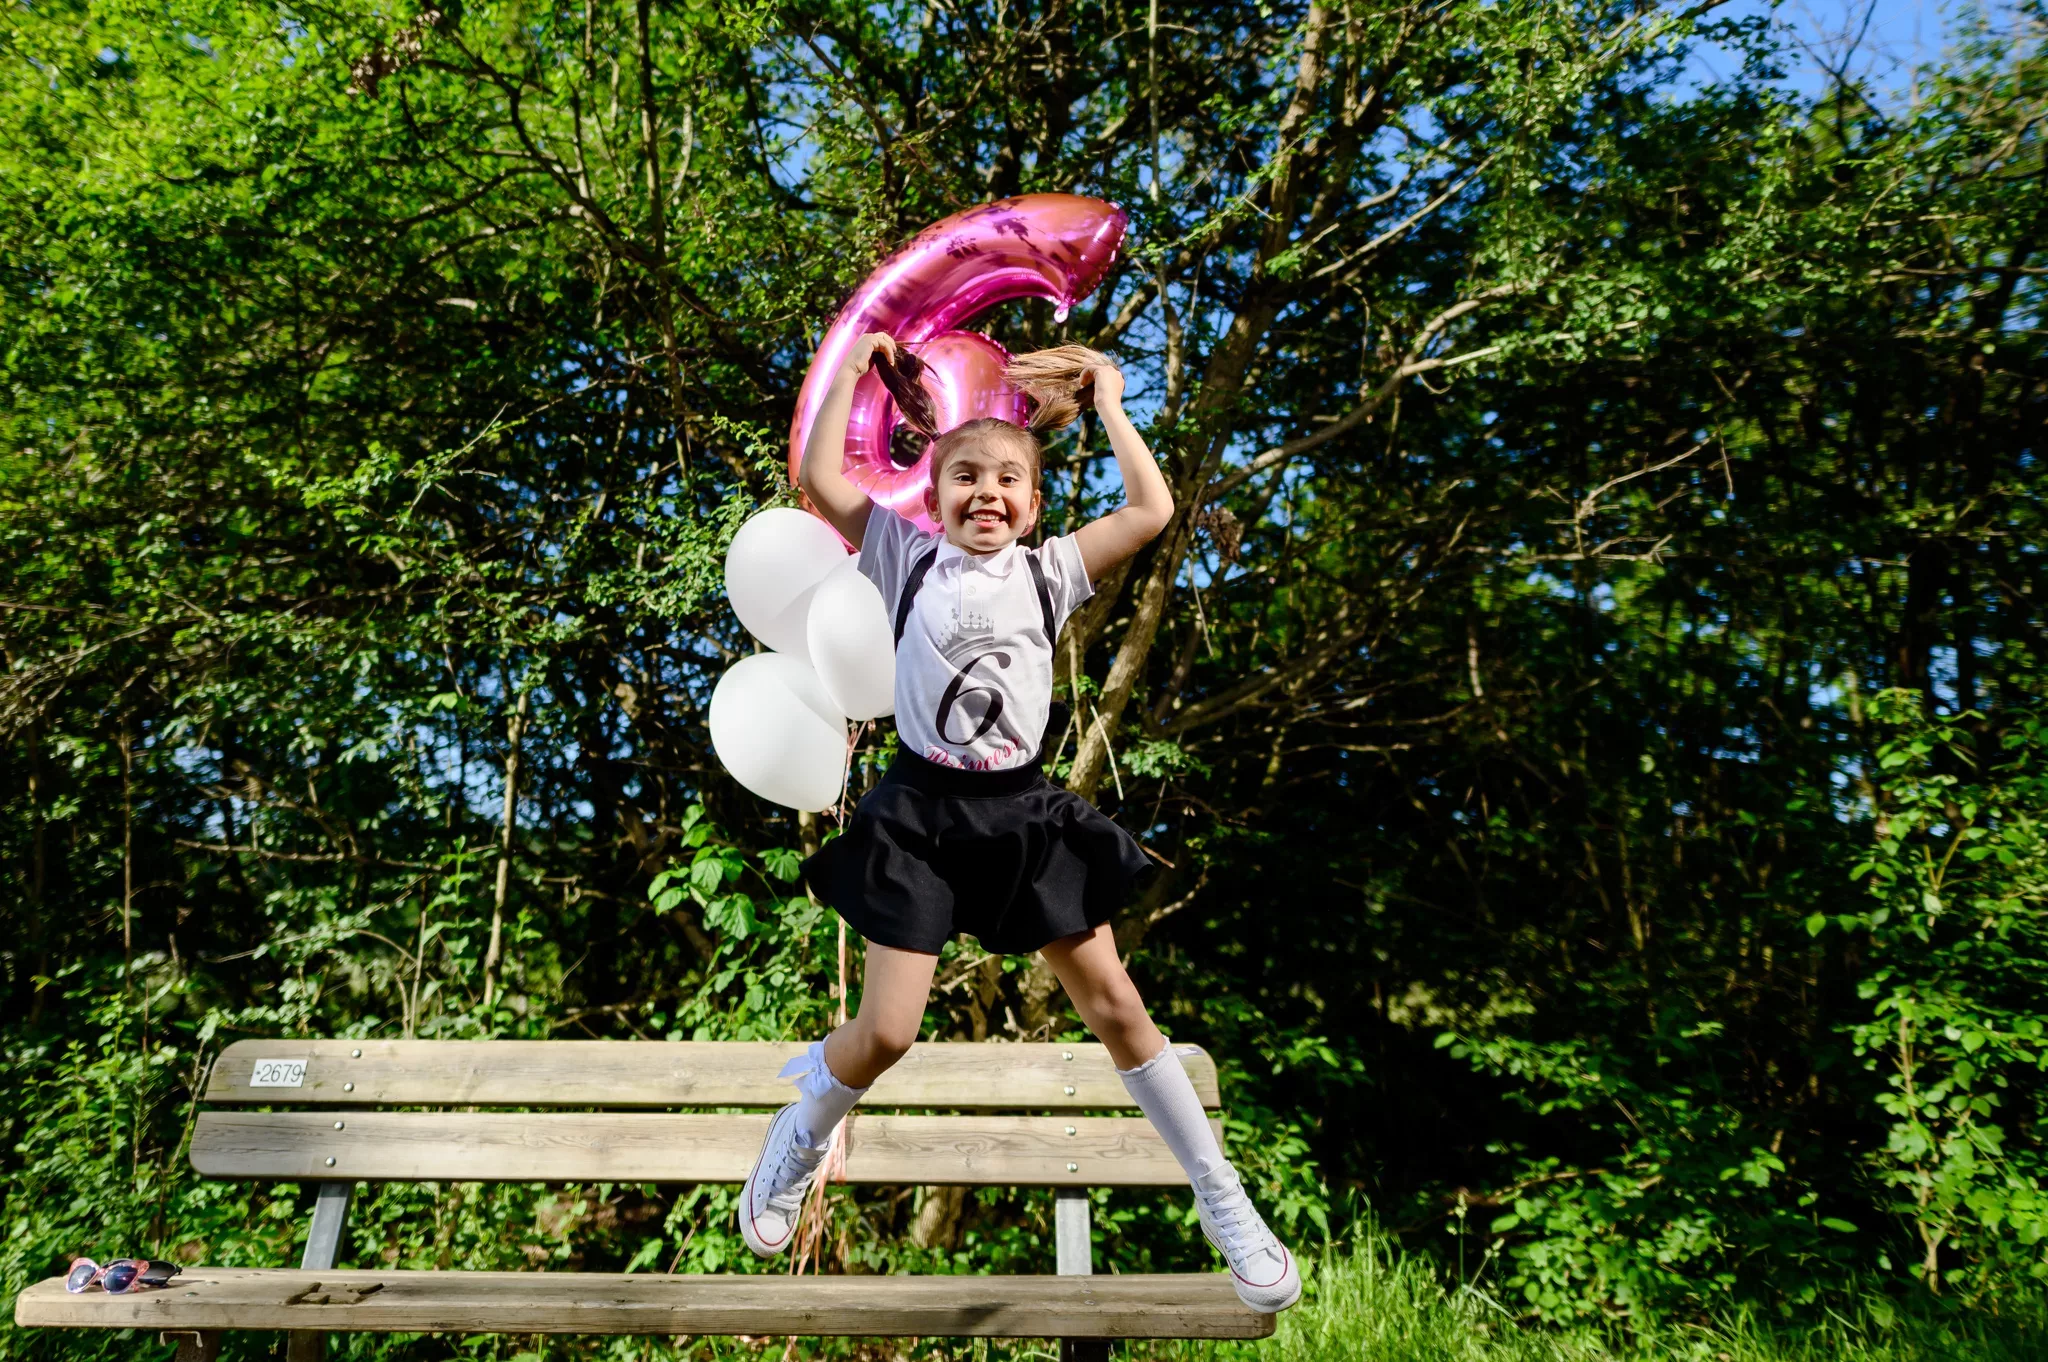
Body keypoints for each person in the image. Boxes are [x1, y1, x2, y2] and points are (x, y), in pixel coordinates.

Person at [737, 332, 1299, 1314]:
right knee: (885, 1034)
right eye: (964, 476)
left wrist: (1110, 403)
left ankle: (1223, 1200)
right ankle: (804, 1125)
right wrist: (856, 369)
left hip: (1023, 813)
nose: (986, 492)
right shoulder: (903, 556)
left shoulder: (1050, 572)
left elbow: (1151, 511)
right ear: (933, 493)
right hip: (919, 813)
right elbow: (821, 479)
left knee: (1117, 1008)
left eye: (1007, 479)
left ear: (1034, 505)